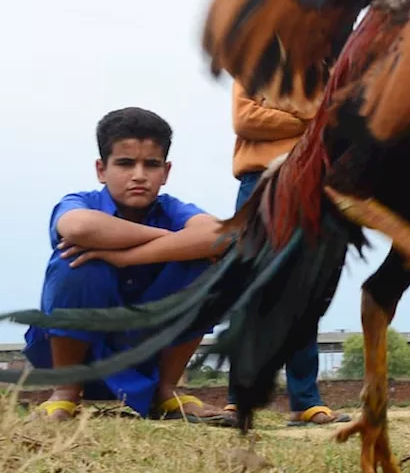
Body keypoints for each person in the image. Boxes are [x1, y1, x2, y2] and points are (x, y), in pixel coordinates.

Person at [23, 107, 228, 422]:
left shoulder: (173, 210)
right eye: (125, 163)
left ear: (166, 172)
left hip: (146, 354)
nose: (139, 175)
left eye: (151, 165)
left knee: (207, 266)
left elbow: (220, 237)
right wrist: (173, 241)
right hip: (72, 354)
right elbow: (79, 228)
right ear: (101, 169)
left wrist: (126, 255)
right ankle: (65, 393)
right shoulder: (81, 202)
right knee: (76, 260)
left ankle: (167, 390)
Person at [217, 80, 350, 427]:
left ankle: (305, 401)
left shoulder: (329, 69)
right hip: (259, 183)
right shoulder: (252, 64)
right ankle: (239, 398)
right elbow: (245, 120)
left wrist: (282, 110)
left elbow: (340, 119)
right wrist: (309, 117)